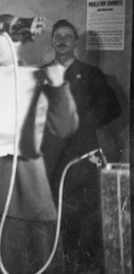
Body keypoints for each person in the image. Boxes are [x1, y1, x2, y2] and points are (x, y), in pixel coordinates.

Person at [0, 14, 78, 274]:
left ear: (17, 42)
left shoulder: (38, 77)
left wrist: (59, 86)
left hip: (22, 178)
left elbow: (65, 127)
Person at [40, 19, 121, 272]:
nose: (62, 39)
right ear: (52, 41)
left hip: (80, 156)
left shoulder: (91, 74)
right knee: (49, 213)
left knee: (79, 215)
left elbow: (112, 108)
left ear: (75, 43)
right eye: (57, 35)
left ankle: (79, 266)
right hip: (48, 157)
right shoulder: (39, 74)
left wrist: (80, 126)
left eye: (67, 36)